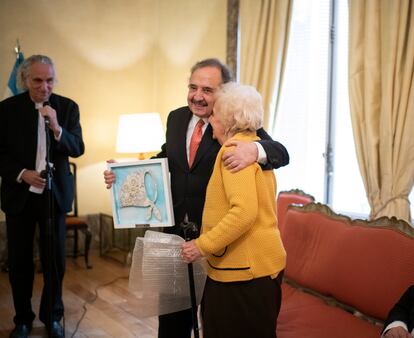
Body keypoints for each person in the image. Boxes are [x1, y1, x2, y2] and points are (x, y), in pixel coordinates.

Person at [104, 58, 289, 338]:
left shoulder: (232, 123)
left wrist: (255, 152)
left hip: (218, 243)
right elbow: (166, 159)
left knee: (213, 321)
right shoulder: (176, 118)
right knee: (171, 325)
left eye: (207, 89)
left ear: (223, 94)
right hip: (176, 237)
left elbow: (280, 152)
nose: (198, 96)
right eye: (193, 87)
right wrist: (125, 173)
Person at [181, 82, 286, 338]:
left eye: (214, 113)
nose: (210, 119)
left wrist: (201, 245)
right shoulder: (252, 146)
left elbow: (243, 213)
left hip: (242, 273)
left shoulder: (233, 152)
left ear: (226, 121)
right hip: (262, 268)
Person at [0, 55, 85, 338]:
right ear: (25, 80)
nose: (44, 87)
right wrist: (21, 172)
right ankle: (22, 319)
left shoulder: (68, 107)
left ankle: (54, 316)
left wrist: (57, 128)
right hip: (19, 196)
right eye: (38, 80)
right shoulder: (7, 109)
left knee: (55, 262)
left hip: (54, 197)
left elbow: (77, 148)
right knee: (20, 262)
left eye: (49, 80)